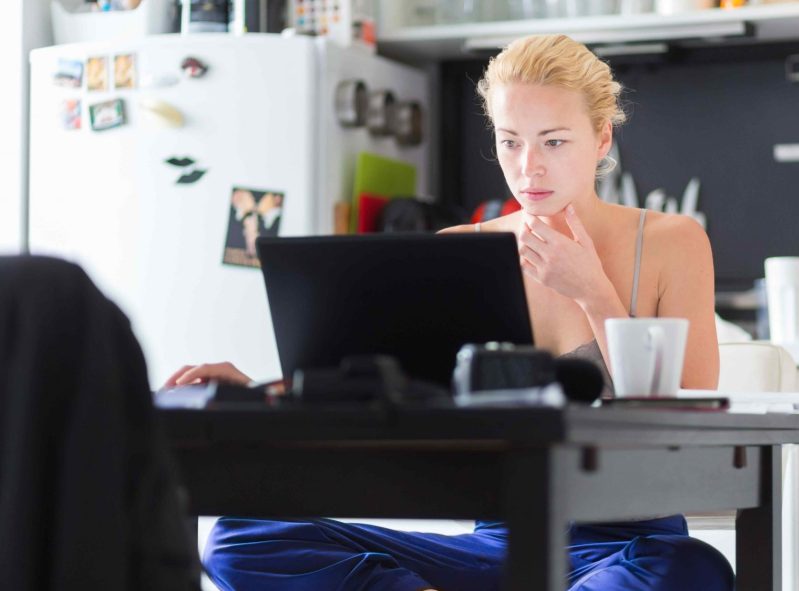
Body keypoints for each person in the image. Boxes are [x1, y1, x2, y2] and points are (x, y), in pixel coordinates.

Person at [167, 34, 727, 591]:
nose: (529, 167)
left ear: (602, 138)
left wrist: (593, 292)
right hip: (496, 544)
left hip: (632, 545)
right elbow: (392, 391)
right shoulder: (462, 247)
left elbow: (697, 420)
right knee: (242, 537)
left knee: (693, 568)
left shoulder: (672, 242)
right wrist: (259, 392)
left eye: (553, 142)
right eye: (510, 142)